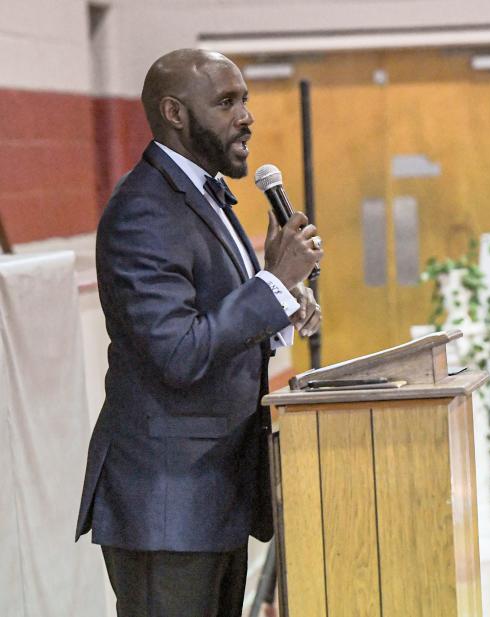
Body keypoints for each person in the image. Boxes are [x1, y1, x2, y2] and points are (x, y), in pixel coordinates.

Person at [75, 48, 322, 617]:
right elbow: (179, 353)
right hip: (167, 505)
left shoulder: (202, 195)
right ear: (175, 113)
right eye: (226, 102)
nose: (246, 116)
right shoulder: (143, 210)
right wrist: (272, 285)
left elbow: (220, 318)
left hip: (214, 495)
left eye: (246, 100)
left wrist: (283, 302)